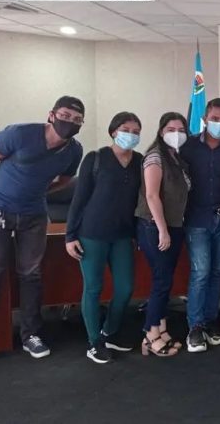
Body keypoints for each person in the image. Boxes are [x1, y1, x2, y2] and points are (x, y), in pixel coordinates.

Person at [0, 95, 84, 358]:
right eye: (65, 115)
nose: (70, 122)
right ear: (51, 115)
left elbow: (65, 179)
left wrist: (40, 191)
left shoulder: (74, 150)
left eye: (77, 119)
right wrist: (1, 187)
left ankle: (30, 334)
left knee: (31, 274)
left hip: (34, 215)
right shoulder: (19, 134)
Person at [65, 112, 143, 364]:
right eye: (125, 129)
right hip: (92, 235)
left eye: (136, 131)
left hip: (123, 236)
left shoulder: (140, 161)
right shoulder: (95, 158)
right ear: (113, 131)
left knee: (125, 288)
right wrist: (70, 235)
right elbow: (79, 199)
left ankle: (109, 332)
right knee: (93, 288)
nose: (131, 135)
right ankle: (93, 342)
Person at [180, 98, 220, 353]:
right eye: (215, 119)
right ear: (205, 119)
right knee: (200, 272)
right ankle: (195, 326)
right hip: (196, 219)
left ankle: (211, 321)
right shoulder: (188, 146)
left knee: (217, 271)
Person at [135, 112, 189, 358]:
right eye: (170, 129)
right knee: (161, 281)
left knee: (165, 280)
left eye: (181, 129)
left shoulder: (175, 157)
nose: (176, 134)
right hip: (155, 226)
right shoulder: (155, 156)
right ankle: (149, 335)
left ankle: (161, 329)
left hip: (174, 225)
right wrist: (162, 230)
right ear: (160, 132)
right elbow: (151, 195)